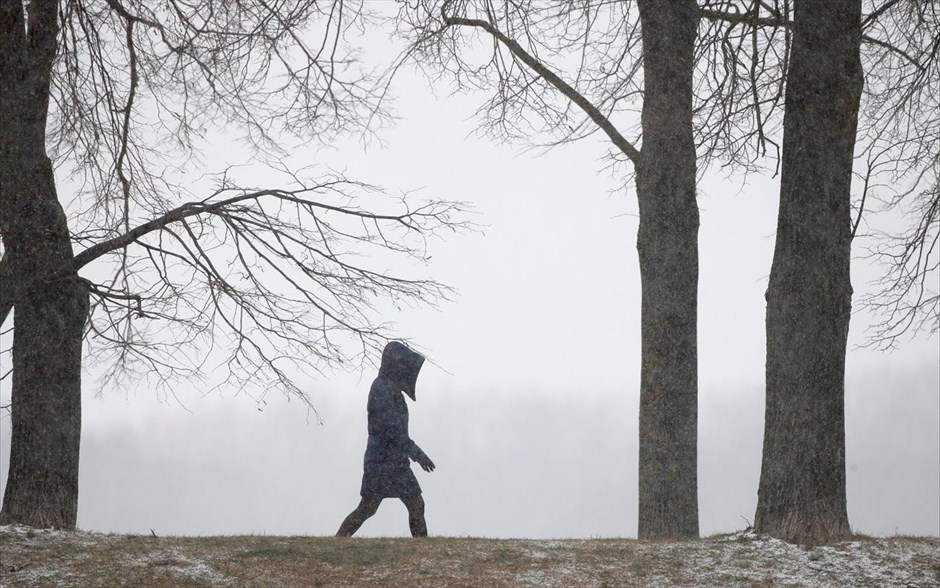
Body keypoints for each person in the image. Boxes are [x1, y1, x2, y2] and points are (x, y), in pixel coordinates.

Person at [336, 341, 436, 537]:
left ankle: (423, 549)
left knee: (414, 504)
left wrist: (413, 454)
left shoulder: (391, 390)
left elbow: (397, 433)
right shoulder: (381, 389)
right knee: (369, 507)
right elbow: (393, 432)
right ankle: (338, 541)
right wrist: (418, 455)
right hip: (382, 462)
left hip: (393, 461)